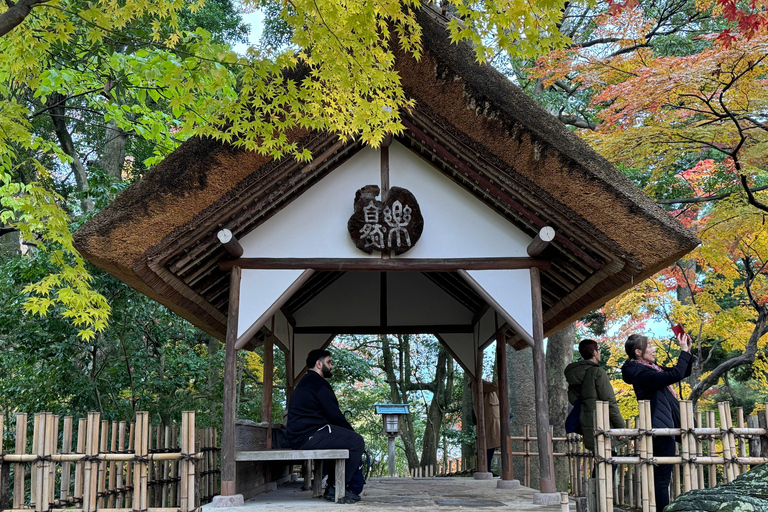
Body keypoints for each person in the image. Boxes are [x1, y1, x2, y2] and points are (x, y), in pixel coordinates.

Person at [622, 332, 693, 511]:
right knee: (661, 481)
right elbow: (675, 374)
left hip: (662, 427)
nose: (654, 350)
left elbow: (681, 372)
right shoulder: (642, 375)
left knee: (661, 480)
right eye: (650, 346)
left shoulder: (652, 370)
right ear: (638, 352)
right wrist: (683, 351)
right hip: (659, 430)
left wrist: (687, 352)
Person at [286, 349, 365, 503]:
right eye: (329, 362)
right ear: (319, 363)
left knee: (342, 439)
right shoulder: (318, 383)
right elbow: (334, 415)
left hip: (303, 435)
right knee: (356, 442)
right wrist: (352, 433)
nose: (331, 366)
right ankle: (337, 487)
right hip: (307, 436)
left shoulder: (307, 382)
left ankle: (332, 485)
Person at [564, 339, 626, 456]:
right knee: (610, 459)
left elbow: (573, 398)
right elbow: (609, 401)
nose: (599, 352)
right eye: (598, 350)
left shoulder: (574, 374)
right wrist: (620, 426)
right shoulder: (597, 372)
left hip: (587, 422)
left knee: (600, 459)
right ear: (594, 352)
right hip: (602, 421)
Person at [472, 380, 501, 473]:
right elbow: (494, 386)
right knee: (489, 444)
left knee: (491, 444)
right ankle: (486, 469)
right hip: (490, 418)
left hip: (493, 417)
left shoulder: (481, 383)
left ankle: (487, 468)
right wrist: (498, 375)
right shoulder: (478, 382)